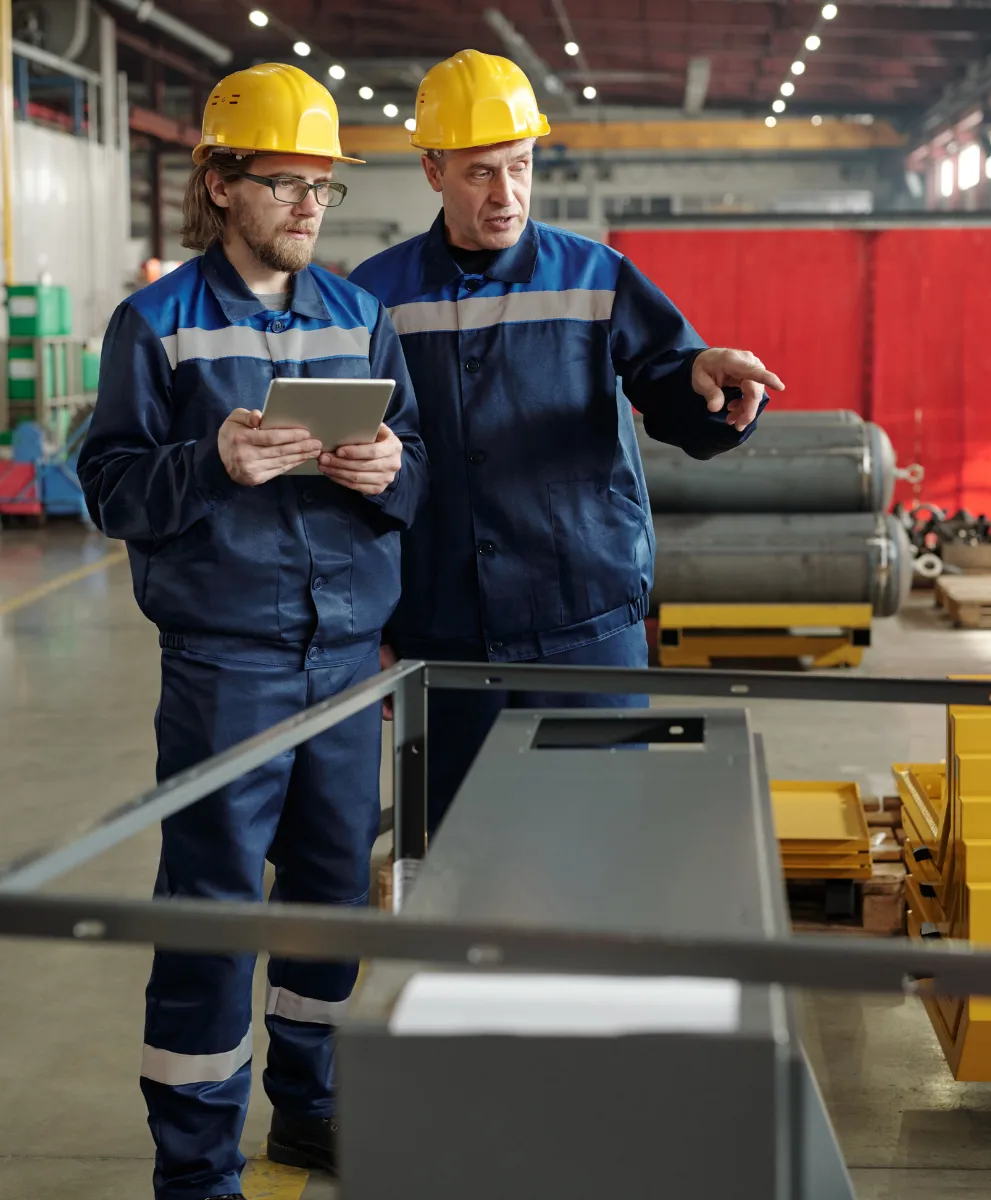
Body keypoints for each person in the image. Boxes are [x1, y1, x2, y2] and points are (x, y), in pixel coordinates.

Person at [77, 63, 427, 1200]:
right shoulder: (158, 324)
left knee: (330, 902)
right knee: (215, 916)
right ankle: (195, 1171)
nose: (308, 208)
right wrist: (208, 461)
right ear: (218, 183)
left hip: (344, 666)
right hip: (226, 664)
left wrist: (387, 470)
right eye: (283, 184)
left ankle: (310, 1112)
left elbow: (416, 472)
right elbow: (112, 488)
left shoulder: (359, 315)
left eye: (321, 187)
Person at [349, 49, 784, 836]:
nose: (506, 194)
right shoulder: (375, 296)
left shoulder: (594, 275)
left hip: (584, 618)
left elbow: (668, 378)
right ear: (431, 169)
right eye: (480, 172)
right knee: (457, 850)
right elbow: (357, 471)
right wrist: (371, 625)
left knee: (603, 840)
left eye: (520, 166)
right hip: (442, 625)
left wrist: (704, 378)